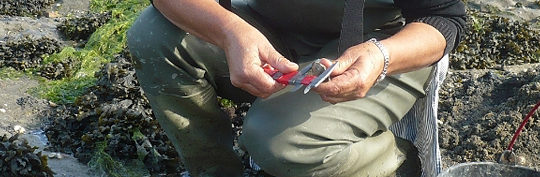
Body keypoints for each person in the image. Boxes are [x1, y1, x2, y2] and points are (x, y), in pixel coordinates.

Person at [126, 0, 465, 176]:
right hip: (264, 29)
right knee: (153, 35)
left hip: (376, 45)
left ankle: (396, 165)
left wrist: (382, 54)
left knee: (279, 143)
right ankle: (214, 170)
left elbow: (444, 19)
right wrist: (229, 31)